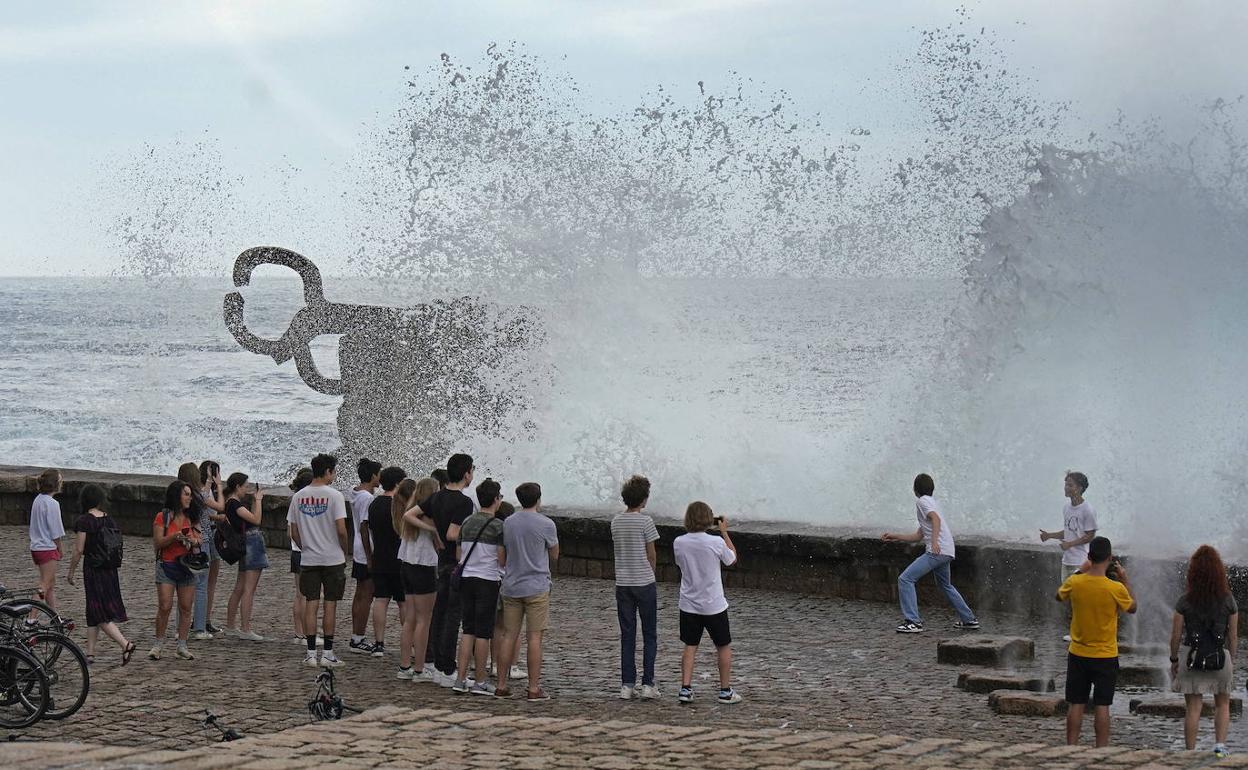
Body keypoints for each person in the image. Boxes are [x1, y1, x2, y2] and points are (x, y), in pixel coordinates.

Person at [1056, 535, 1136, 747]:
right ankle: (1101, 750)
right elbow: (1133, 607)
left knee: (1076, 704)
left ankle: (1071, 746)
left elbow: (1058, 596)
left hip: (1078, 653)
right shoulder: (1115, 588)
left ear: (1089, 557)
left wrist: (1081, 569)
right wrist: (1125, 578)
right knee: (1102, 706)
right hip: (1105, 655)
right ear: (1109, 558)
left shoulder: (1075, 582)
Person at [882, 473, 980, 633]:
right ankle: (969, 619)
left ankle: (913, 621)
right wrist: (895, 536)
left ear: (915, 489)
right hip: (947, 550)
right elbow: (919, 535)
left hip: (937, 550)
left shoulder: (922, 502)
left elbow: (936, 520)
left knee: (905, 579)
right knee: (945, 585)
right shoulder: (933, 503)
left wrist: (934, 542)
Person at [1169, 545, 1237, 758]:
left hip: (1192, 658)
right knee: (1222, 703)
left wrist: (1173, 660)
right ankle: (1220, 747)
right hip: (1219, 657)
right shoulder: (1228, 600)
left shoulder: (1185, 600)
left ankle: (1190, 751)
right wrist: (1231, 660)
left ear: (1193, 572)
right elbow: (1233, 636)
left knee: (1193, 707)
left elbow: (1176, 636)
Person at [494, 481, 558, 701]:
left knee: (508, 635)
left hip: (511, 585)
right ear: (539, 499)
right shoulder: (546, 524)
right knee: (534, 638)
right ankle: (533, 688)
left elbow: (501, 558)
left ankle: (501, 685)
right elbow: (555, 554)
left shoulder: (508, 522)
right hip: (537, 586)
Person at [672, 501, 740, 704]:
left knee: (690, 645)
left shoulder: (679, 542)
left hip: (689, 603)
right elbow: (732, 559)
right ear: (709, 519)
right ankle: (725, 690)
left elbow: (680, 563)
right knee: (723, 646)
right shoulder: (716, 542)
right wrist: (725, 533)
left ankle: (685, 688)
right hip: (714, 604)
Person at [287, 453, 349, 668]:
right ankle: (328, 652)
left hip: (309, 558)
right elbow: (341, 529)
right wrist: (344, 549)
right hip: (332, 558)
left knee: (311, 604)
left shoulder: (298, 497)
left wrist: (306, 547)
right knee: (330, 604)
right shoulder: (335, 496)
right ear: (328, 471)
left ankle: (311, 652)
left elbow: (293, 531)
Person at [419, 454, 475, 685]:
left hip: (441, 562)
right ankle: (448, 669)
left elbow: (409, 515)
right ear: (466, 474)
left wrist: (433, 531)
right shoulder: (463, 502)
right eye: (472, 470)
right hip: (455, 564)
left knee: (439, 615)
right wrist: (469, 534)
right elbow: (453, 534)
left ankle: (437, 666)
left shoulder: (437, 496)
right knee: (453, 618)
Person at [66, 484, 135, 665]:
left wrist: (71, 572)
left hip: (93, 570)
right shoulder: (109, 520)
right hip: (110, 570)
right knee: (92, 609)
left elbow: (78, 549)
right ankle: (90, 653)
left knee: (99, 613)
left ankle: (125, 643)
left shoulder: (85, 521)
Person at [452, 478, 506, 695]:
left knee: (468, 630)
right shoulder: (498, 526)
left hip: (467, 579)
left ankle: (460, 678)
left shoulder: (466, 522)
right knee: (483, 633)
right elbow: (502, 560)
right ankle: (480, 681)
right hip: (487, 580)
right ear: (495, 499)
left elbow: (459, 555)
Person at [612, 474, 661, 700]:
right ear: (644, 499)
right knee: (649, 634)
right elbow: (651, 554)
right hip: (644, 583)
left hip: (623, 583)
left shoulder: (616, 521)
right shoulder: (646, 521)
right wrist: (651, 574)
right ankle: (648, 684)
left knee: (627, 635)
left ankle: (627, 685)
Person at [1040, 471, 1097, 642]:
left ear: (1079, 488)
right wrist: (1050, 535)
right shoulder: (1066, 508)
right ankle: (1077, 631)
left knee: (1081, 599)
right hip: (1067, 560)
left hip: (1080, 561)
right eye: (1065, 484)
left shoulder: (1087, 509)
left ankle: (1083, 632)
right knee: (1072, 600)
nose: (1066, 487)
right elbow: (1068, 531)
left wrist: (1070, 544)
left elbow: (1090, 535)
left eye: (1070, 484)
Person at [394, 476, 442, 681]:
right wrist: (434, 531)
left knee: (410, 619)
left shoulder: (410, 510)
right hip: (424, 567)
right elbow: (439, 545)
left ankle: (405, 666)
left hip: (406, 565)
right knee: (425, 620)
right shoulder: (429, 515)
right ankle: (420, 669)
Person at [151, 480, 201, 660]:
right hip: (167, 564)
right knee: (165, 606)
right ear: (176, 496)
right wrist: (174, 536)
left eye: (190, 494)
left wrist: (193, 541)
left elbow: (199, 539)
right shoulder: (162, 517)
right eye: (186, 494)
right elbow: (158, 543)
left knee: (186, 607)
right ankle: (158, 644)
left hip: (187, 566)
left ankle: (182, 644)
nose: (189, 498)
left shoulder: (192, 517)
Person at [367, 466, 408, 657]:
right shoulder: (400, 506)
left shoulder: (374, 504)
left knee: (380, 600)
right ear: (399, 483)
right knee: (403, 603)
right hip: (399, 560)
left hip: (380, 557)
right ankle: (411, 643)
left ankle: (379, 643)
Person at [223, 472, 267, 640]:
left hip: (243, 543)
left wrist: (255, 500)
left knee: (240, 587)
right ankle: (245, 628)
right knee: (249, 589)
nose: (247, 489)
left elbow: (252, 519)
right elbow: (257, 520)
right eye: (245, 486)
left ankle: (230, 625)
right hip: (251, 543)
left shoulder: (229, 503)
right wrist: (259, 500)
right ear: (237, 487)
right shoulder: (235, 504)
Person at [349, 458, 382, 654]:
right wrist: (371, 558)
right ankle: (358, 638)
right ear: (372, 476)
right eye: (379, 473)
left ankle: (356, 635)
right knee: (366, 596)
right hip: (366, 550)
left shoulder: (355, 493)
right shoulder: (368, 499)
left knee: (360, 594)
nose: (381, 477)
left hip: (359, 550)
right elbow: (364, 527)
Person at [196, 460, 227, 637]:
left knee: (209, 583)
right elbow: (210, 513)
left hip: (212, 534)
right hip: (209, 535)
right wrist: (220, 486)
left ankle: (204, 619)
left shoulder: (202, 492)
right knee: (207, 583)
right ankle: (202, 621)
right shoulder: (204, 493)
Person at [29, 468, 65, 610]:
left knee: (50, 583)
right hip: (47, 548)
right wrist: (60, 549)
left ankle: (54, 616)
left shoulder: (38, 500)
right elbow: (56, 531)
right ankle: (31, 618)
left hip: (36, 547)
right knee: (45, 584)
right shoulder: (52, 504)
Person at [288, 467, 315, 646]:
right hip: (303, 552)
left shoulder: (295, 501)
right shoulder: (303, 502)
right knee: (305, 595)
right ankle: (303, 633)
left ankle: (300, 631)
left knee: (300, 595)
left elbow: (289, 530)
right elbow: (292, 531)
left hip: (296, 552)